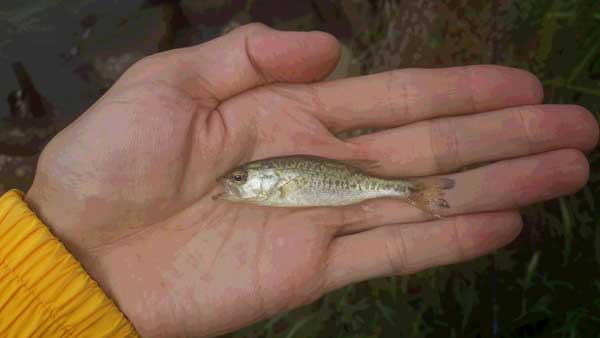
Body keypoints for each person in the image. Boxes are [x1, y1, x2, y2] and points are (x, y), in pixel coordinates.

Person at [0, 23, 597, 338]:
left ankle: (415, 192)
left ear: (262, 182)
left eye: (241, 180)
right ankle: (416, 194)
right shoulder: (261, 185)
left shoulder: (271, 184)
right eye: (241, 181)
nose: (234, 186)